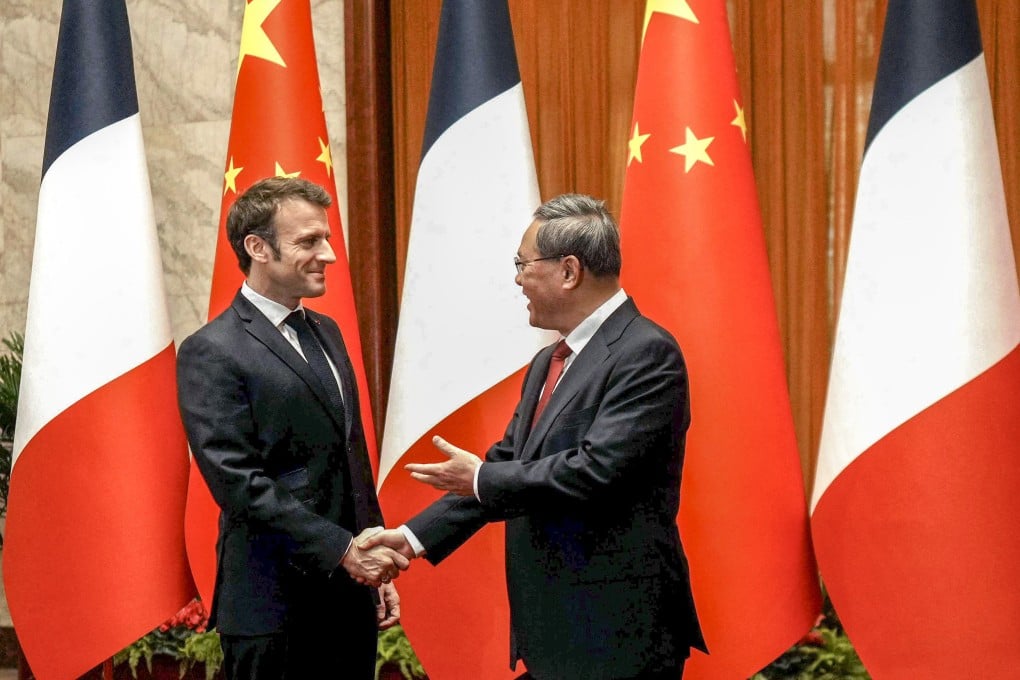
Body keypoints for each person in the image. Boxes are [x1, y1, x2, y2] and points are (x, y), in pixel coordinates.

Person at [367, 193, 707, 679]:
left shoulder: (645, 353)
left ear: (569, 271)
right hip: (556, 633)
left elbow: (596, 470)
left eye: (523, 264)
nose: (517, 279)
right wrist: (409, 539)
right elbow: (506, 464)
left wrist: (482, 478)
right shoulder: (547, 363)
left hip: (617, 634)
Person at [176, 177, 407, 680]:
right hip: (272, 606)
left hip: (347, 600)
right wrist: (343, 550)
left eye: (325, 238)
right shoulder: (211, 350)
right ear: (257, 247)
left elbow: (351, 455)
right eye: (308, 241)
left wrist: (378, 563)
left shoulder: (328, 331)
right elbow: (237, 483)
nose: (327, 254)